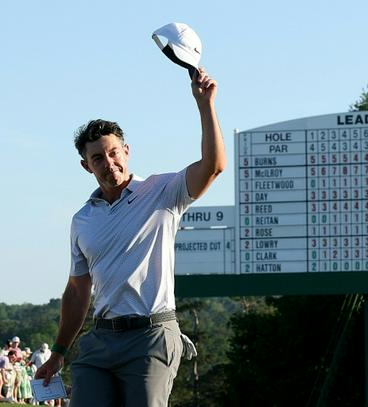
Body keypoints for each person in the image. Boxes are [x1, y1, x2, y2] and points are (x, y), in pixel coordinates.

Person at [35, 67, 226, 407]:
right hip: (101, 340)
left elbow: (213, 166)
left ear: (126, 150)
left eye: (113, 153)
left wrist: (205, 105)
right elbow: (77, 291)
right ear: (86, 166)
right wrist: (59, 351)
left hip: (152, 335)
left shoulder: (163, 192)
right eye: (97, 158)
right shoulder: (82, 220)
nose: (108, 163)